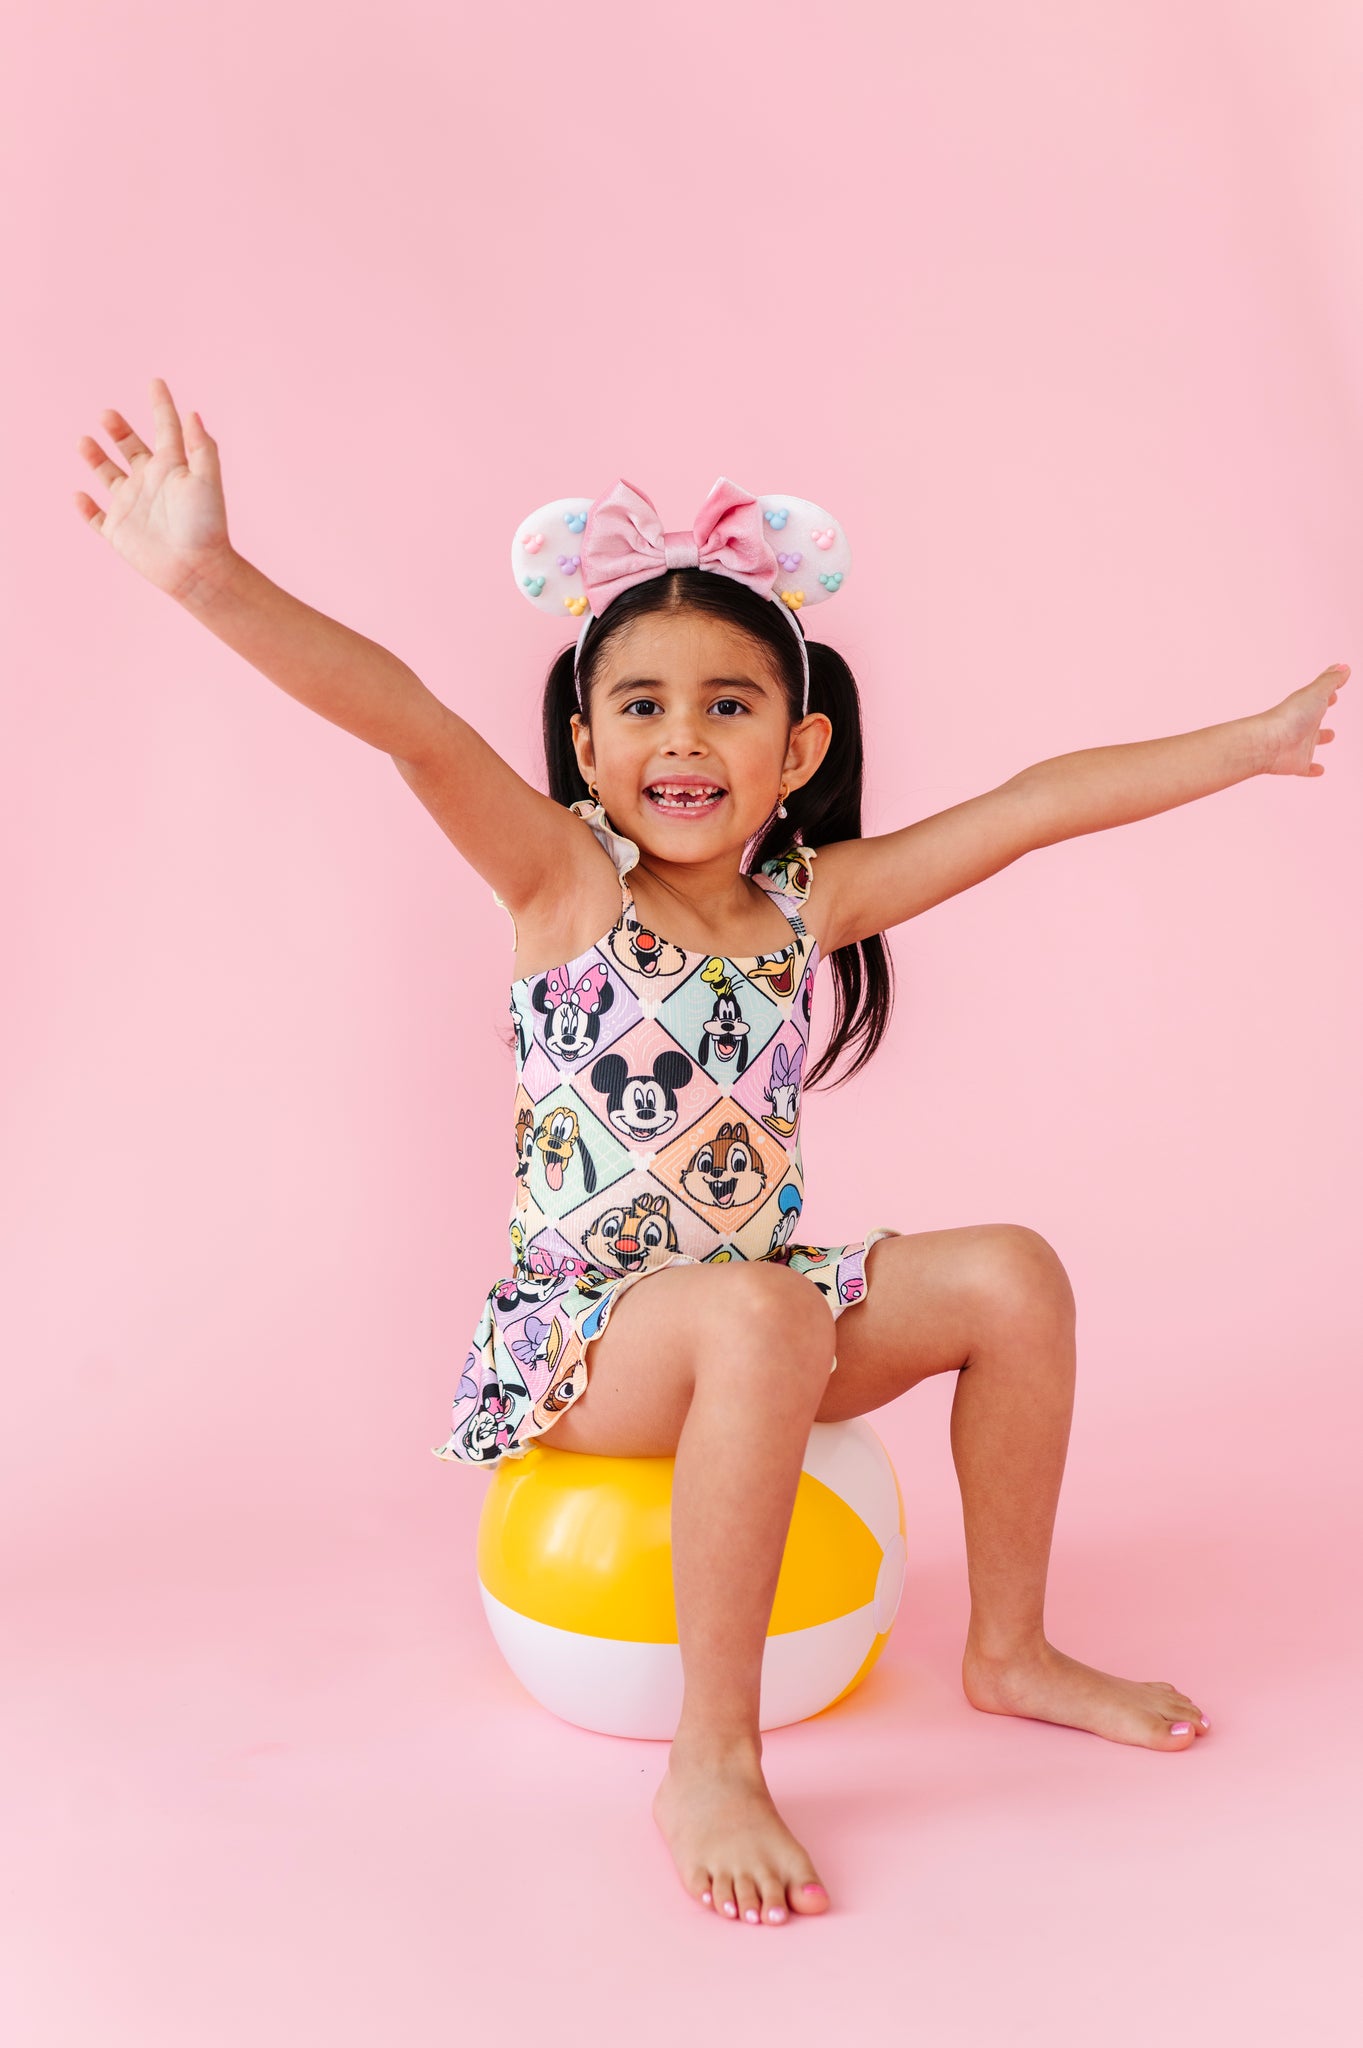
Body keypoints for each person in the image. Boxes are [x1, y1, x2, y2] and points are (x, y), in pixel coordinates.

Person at [75, 378, 1347, 1930]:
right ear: (583, 742)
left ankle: (1010, 1648)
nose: (683, 735)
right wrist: (209, 576)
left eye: (730, 706)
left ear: (799, 747)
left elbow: (1029, 810)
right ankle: (713, 1759)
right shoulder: (563, 882)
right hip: (591, 1346)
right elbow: (405, 720)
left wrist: (1249, 745)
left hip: (761, 1306)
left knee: (1010, 1276)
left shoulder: (810, 904)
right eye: (642, 706)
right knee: (756, 1312)